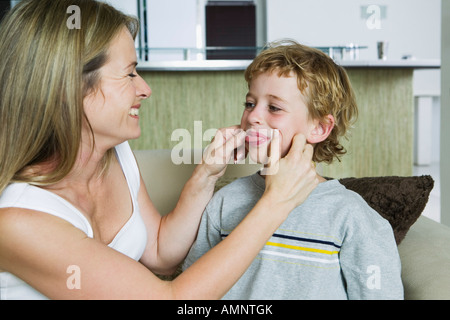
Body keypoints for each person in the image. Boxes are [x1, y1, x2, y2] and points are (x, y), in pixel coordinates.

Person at [0, 1, 318, 300]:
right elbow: (171, 299)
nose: (145, 89)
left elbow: (160, 252)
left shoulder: (115, 154)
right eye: (129, 74)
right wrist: (277, 202)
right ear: (69, 87)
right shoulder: (17, 221)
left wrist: (206, 174)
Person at [183, 40, 404, 300]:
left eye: (274, 107)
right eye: (250, 103)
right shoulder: (224, 202)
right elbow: (192, 292)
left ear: (320, 128)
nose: (253, 116)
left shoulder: (351, 215)